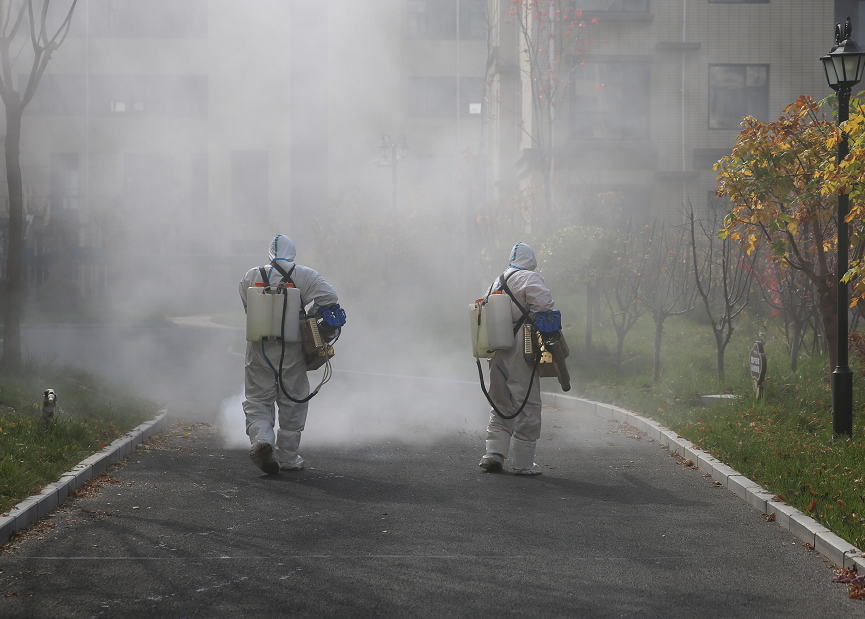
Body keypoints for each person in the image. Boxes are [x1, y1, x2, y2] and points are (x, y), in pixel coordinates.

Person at [239, 234, 339, 474]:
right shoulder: (305, 274)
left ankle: (261, 441)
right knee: (293, 399)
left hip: (259, 346)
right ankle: (288, 458)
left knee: (258, 399)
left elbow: (247, 307)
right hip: (292, 346)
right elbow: (330, 299)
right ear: (293, 252)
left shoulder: (251, 275)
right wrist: (310, 314)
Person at [479, 242, 554, 475]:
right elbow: (544, 307)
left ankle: (493, 453)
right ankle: (523, 463)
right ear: (530, 260)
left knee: (500, 400)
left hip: (496, 348)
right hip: (522, 346)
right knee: (527, 402)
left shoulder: (496, 281)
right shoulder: (529, 278)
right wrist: (551, 340)